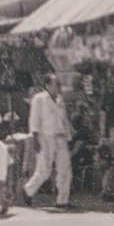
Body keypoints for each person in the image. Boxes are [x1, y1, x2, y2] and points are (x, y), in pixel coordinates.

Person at [22, 73, 74, 209]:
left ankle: (62, 200)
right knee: (44, 169)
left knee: (65, 168)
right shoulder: (39, 99)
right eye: (56, 84)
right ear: (48, 85)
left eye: (59, 84)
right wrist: (35, 138)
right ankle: (28, 190)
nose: (58, 87)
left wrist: (68, 135)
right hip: (45, 136)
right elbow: (34, 119)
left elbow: (64, 119)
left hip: (60, 136)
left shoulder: (60, 100)